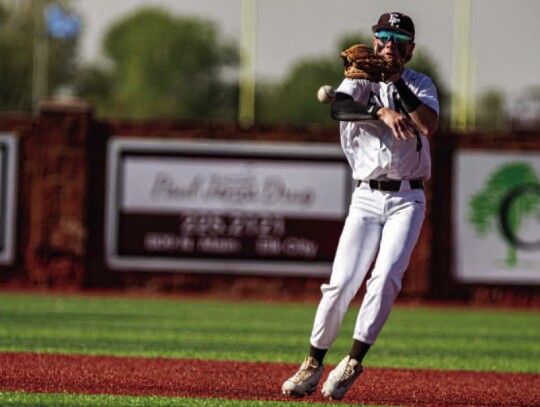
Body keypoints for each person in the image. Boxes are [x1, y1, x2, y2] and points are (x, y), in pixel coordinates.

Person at [282, 12, 439, 400]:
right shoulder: (357, 80)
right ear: (373, 43)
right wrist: (380, 112)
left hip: (407, 197)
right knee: (340, 285)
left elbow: (428, 123)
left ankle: (352, 361)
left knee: (385, 279)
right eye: (383, 37)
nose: (389, 45)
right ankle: (313, 364)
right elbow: (339, 108)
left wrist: (397, 83)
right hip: (366, 197)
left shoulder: (419, 83)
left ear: (410, 48)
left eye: (398, 39)